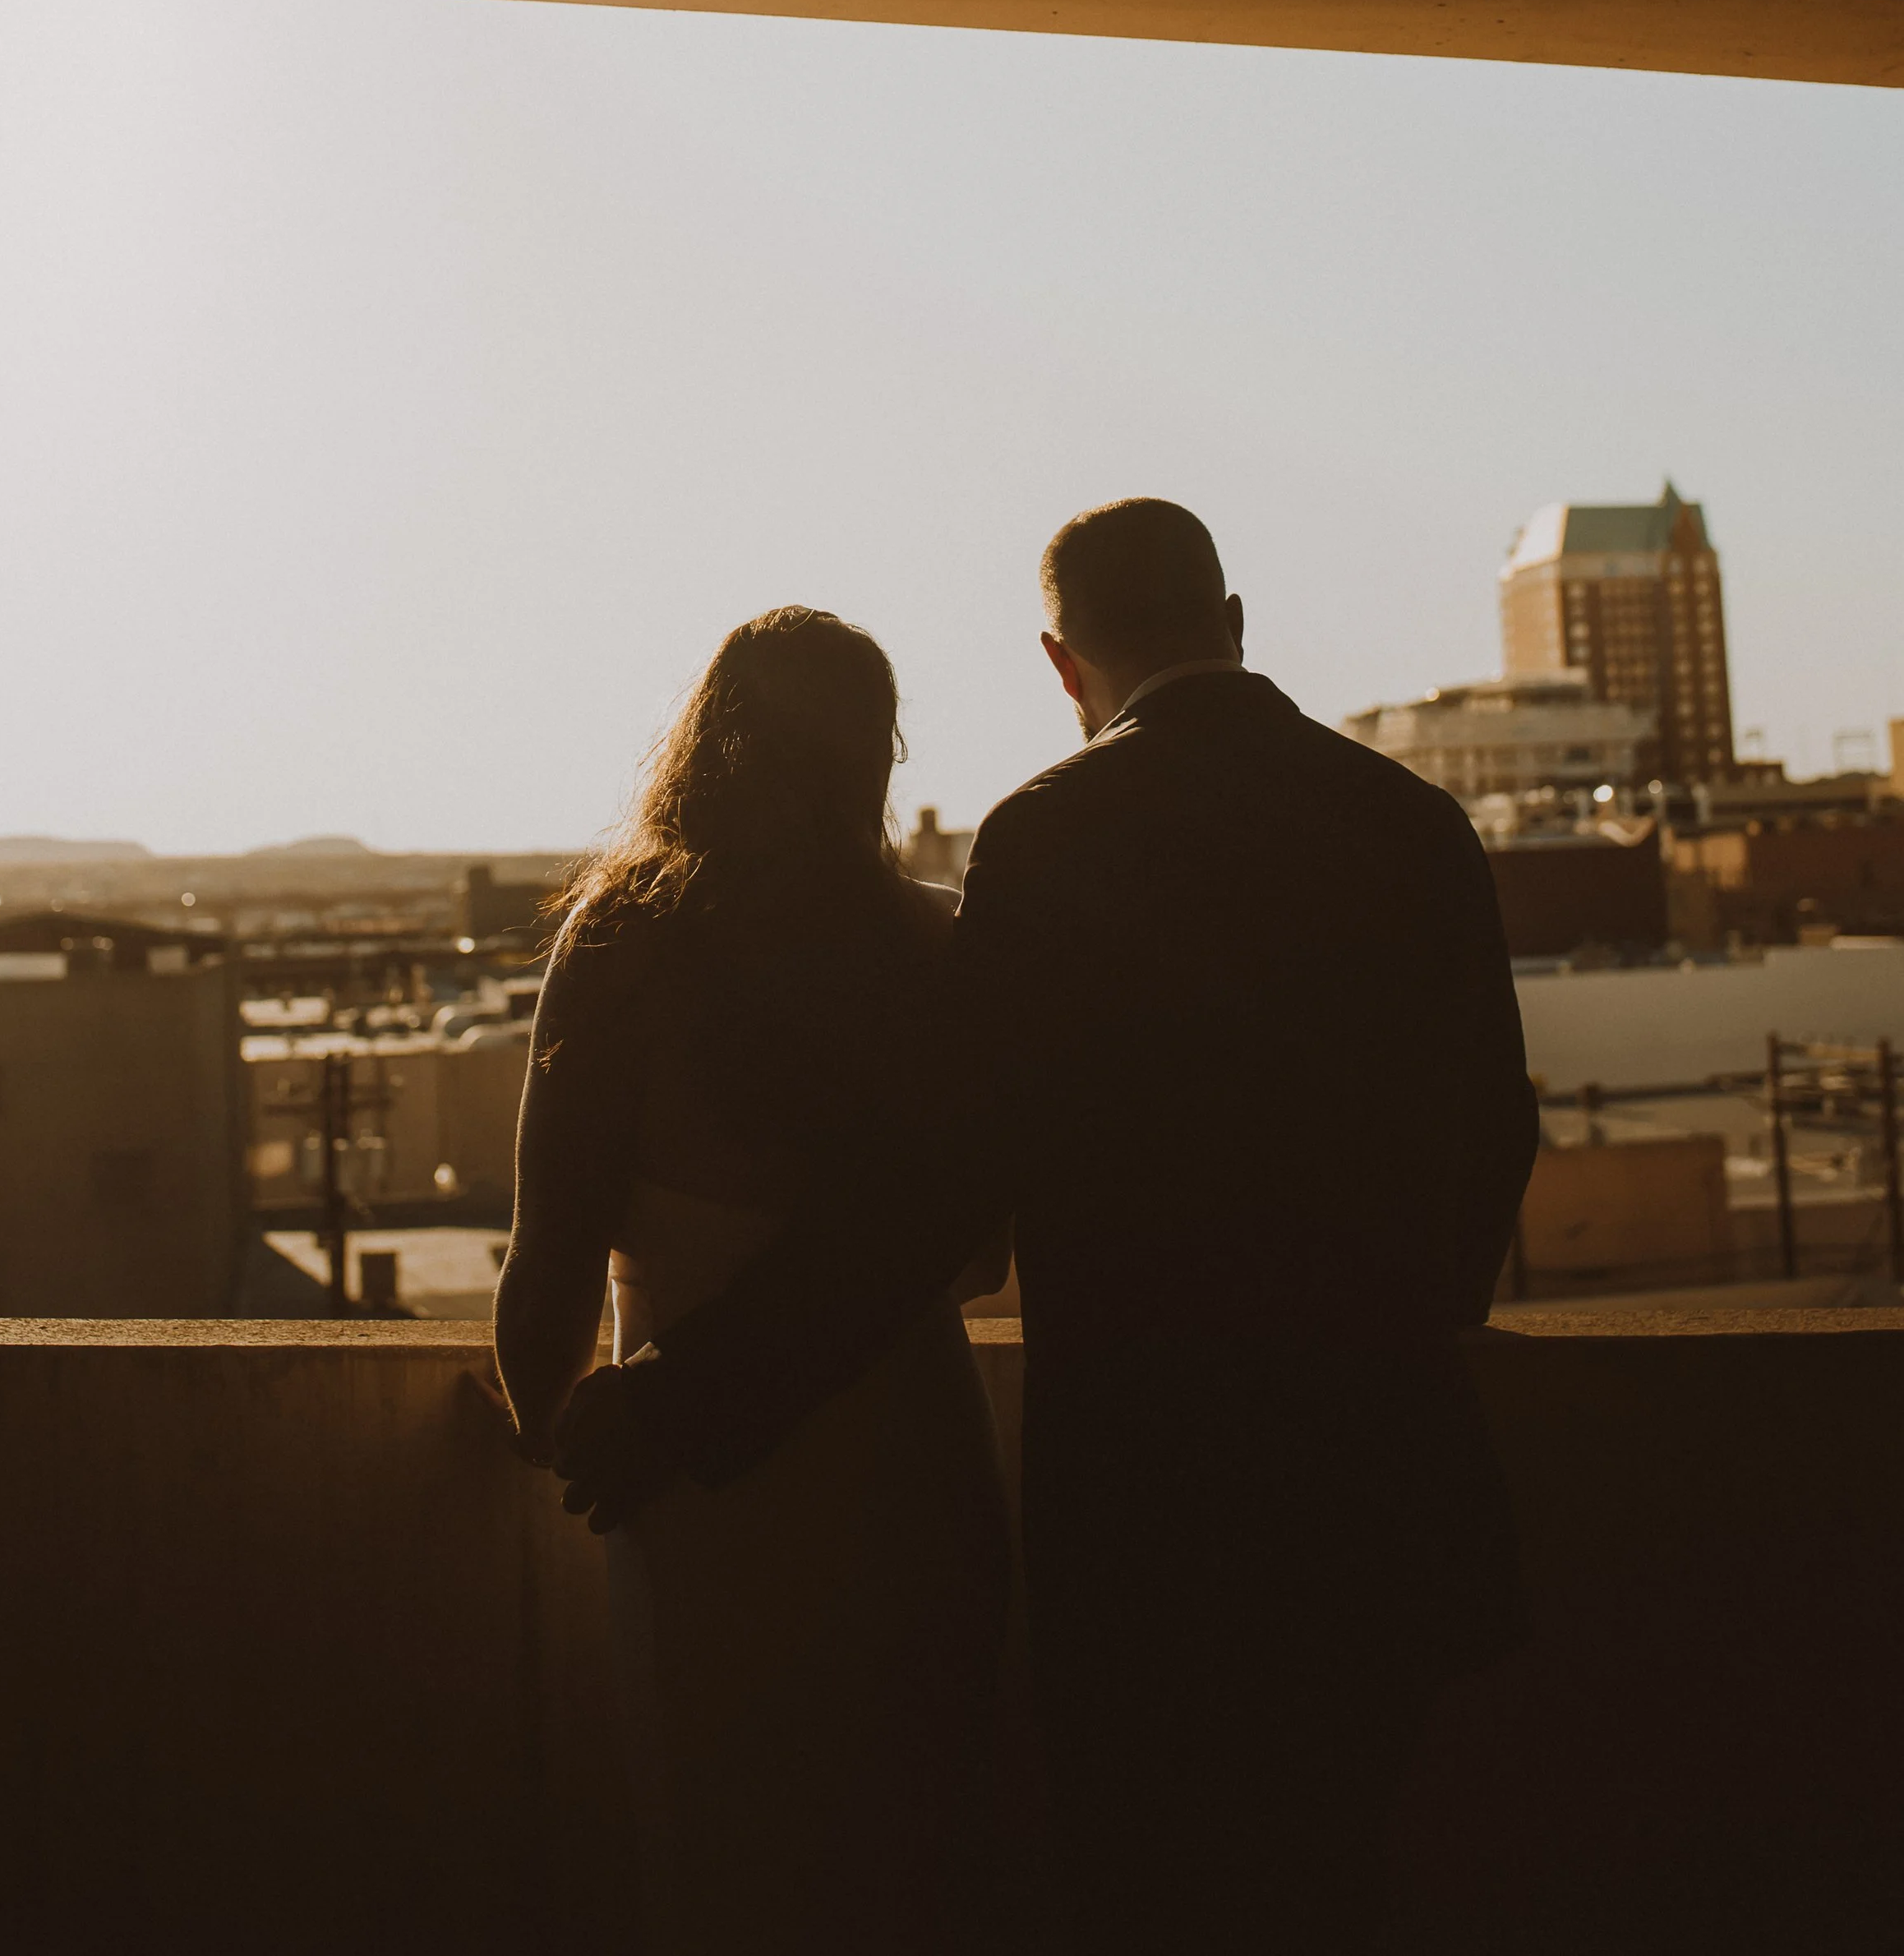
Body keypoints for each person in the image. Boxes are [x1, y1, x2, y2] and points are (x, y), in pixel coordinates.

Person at [555, 499, 1541, 1952]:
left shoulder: (1055, 834)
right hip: (1384, 1487)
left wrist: (685, 1395)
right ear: (1236, 619)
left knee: (1159, 1894)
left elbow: (936, 1184)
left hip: (1150, 1513)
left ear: (1063, 665)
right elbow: (1493, 1132)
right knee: (1340, 1883)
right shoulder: (1413, 823)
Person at [491, 607, 1011, 1956]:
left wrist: (540, 1422)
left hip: (694, 1472)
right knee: (916, 1845)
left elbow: (548, 1254)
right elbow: (978, 1253)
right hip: (915, 1448)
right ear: (876, 759)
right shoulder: (945, 946)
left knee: (732, 1847)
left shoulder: (626, 939)